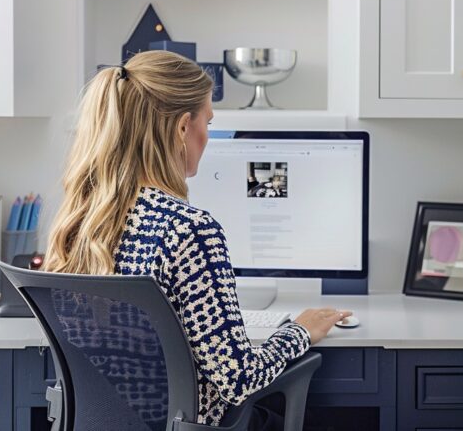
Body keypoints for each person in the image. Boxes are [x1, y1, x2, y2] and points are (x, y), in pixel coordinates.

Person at [42, 51, 350, 428]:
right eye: (208, 120)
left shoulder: (81, 220)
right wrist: (299, 331)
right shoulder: (189, 229)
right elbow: (239, 380)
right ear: (182, 127)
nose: (209, 134)